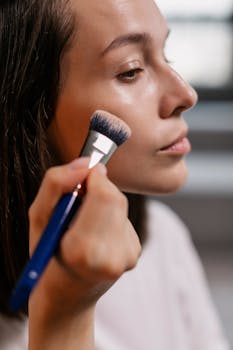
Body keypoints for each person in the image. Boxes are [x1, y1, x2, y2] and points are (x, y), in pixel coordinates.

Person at [0, 0, 230, 349]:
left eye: (166, 56)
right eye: (131, 70)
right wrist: (64, 317)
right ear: (27, 105)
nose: (186, 94)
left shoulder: (161, 236)